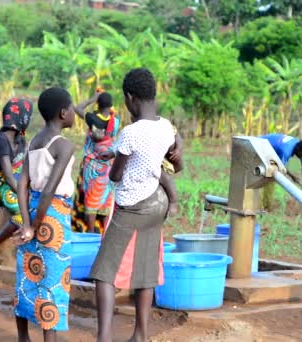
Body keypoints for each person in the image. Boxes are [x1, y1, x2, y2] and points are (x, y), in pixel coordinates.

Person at [90, 68, 183, 342]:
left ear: (130, 98)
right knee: (145, 270)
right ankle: (140, 335)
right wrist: (118, 152)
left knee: (103, 273)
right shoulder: (166, 127)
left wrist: (113, 158)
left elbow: (116, 175)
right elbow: (161, 159)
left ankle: (104, 337)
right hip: (157, 203)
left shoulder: (130, 132)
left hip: (132, 205)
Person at [11, 87, 76, 342]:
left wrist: (27, 223)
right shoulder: (64, 146)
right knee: (52, 278)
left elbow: (22, 184)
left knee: (26, 273)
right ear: (63, 113)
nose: (74, 113)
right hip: (53, 215)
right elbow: (50, 189)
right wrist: (37, 225)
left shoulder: (35, 141)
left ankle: (23, 337)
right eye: (71, 108)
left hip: (33, 209)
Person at [0, 98, 33, 261]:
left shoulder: (20, 139)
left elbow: (24, 167)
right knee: (23, 213)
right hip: (3, 186)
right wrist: (23, 194)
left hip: (15, 184)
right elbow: (9, 175)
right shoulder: (1, 140)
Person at [71, 89, 120, 234]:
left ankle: (91, 231)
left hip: (93, 165)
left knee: (91, 196)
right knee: (106, 197)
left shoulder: (92, 118)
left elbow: (77, 108)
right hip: (109, 163)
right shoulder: (115, 121)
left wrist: (92, 98)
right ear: (110, 106)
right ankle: (104, 231)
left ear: (98, 104)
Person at [259, 133, 302, 210]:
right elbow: (280, 167)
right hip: (260, 145)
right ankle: (266, 205)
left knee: (271, 173)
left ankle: (266, 204)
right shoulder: (286, 151)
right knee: (270, 176)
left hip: (271, 147)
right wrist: (291, 176)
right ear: (298, 150)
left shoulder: (300, 146)